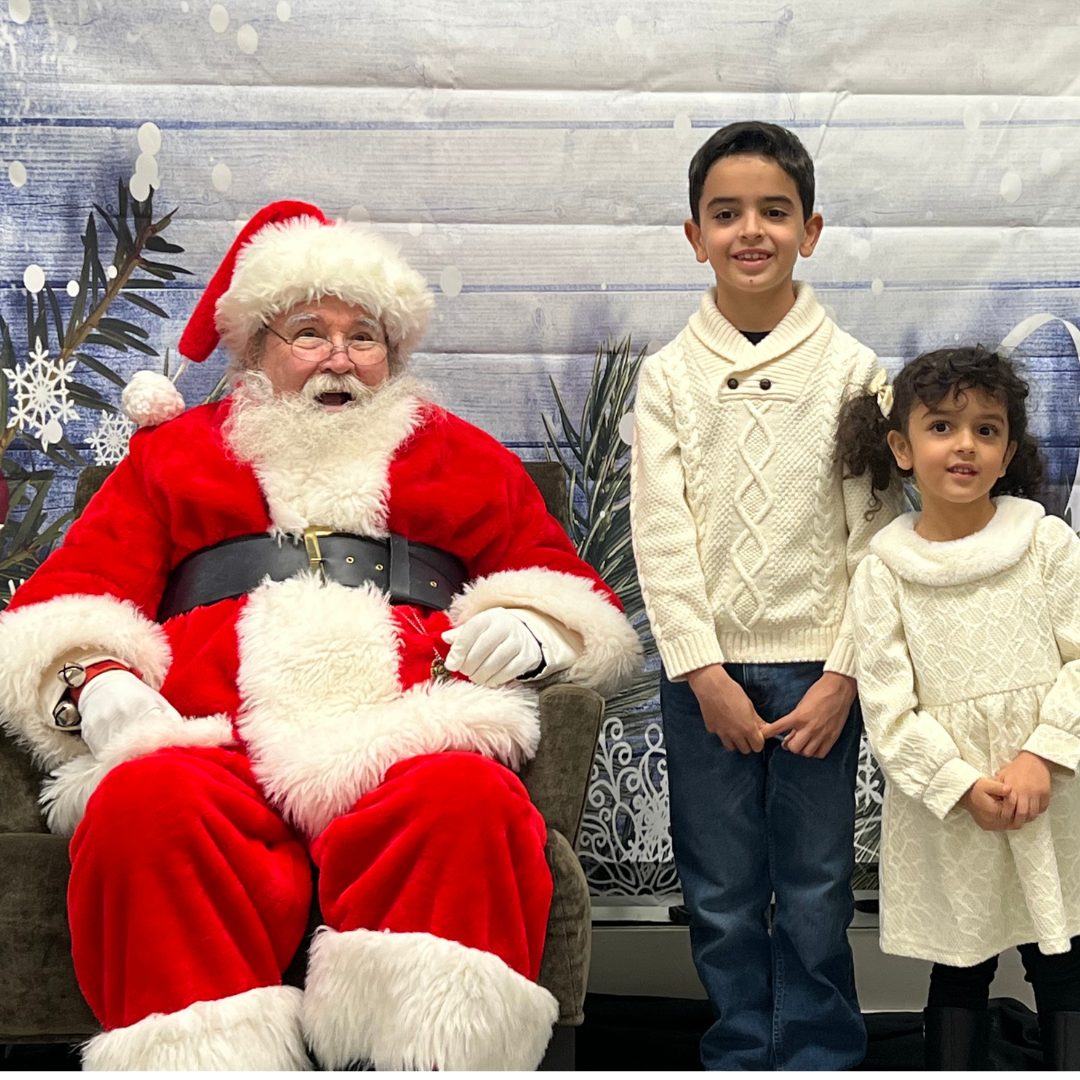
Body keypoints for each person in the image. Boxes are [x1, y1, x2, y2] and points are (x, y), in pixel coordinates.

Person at [0, 200, 640, 1071]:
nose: (339, 358)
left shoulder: (460, 454)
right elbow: (72, 593)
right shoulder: (174, 456)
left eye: (362, 336)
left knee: (470, 804)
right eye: (309, 332)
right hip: (218, 735)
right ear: (255, 350)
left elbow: (563, 580)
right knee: (144, 809)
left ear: (394, 355)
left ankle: (433, 1059)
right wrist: (92, 678)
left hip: (407, 729)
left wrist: (537, 626)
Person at [629, 120, 902, 1070]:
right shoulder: (666, 379)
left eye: (774, 212)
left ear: (811, 229)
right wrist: (702, 672)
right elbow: (662, 541)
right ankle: (743, 1048)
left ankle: (822, 1051)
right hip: (706, 677)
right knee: (721, 885)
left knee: (820, 879)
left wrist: (843, 676)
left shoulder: (854, 373)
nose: (752, 231)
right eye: (727, 213)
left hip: (820, 672)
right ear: (694, 234)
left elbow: (876, 541)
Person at [838, 345, 1080, 1070]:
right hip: (950, 808)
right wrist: (960, 785)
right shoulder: (884, 571)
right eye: (942, 427)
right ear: (903, 449)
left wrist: (1041, 754)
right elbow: (888, 711)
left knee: (1062, 957)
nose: (965, 444)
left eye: (987, 428)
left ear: (1008, 453)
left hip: (1052, 791)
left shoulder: (1045, 545)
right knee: (961, 967)